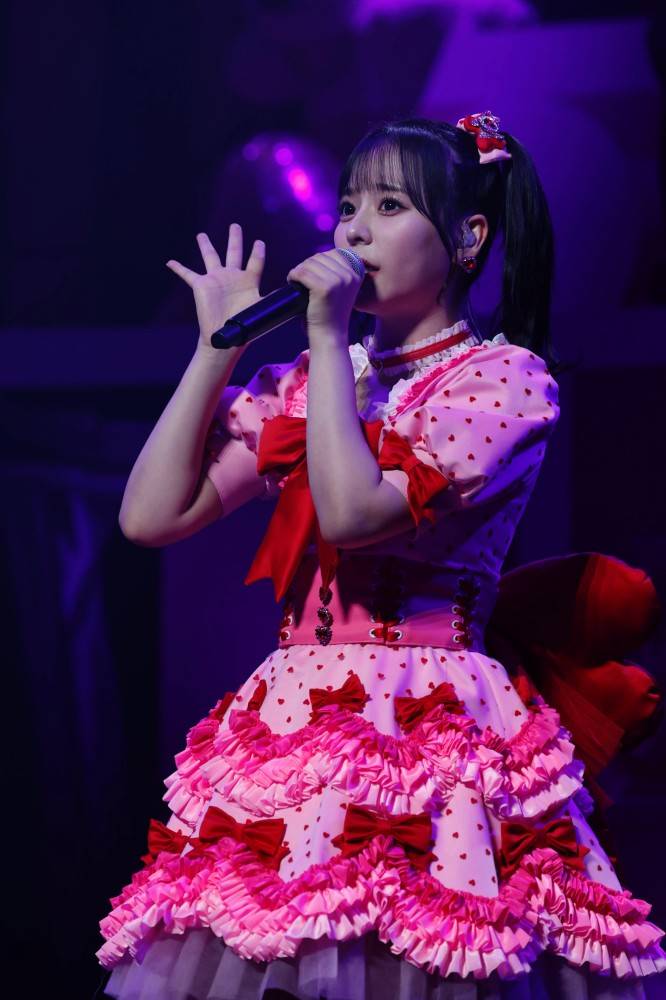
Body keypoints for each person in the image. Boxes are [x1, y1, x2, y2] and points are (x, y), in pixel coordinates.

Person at [96, 114, 666, 999]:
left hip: (432, 720)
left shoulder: (502, 380)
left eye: (390, 206)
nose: (354, 231)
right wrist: (219, 349)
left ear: (468, 239)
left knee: (426, 953)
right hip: (296, 721)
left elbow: (354, 511)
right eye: (347, 207)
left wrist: (326, 342)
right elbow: (150, 515)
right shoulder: (313, 384)